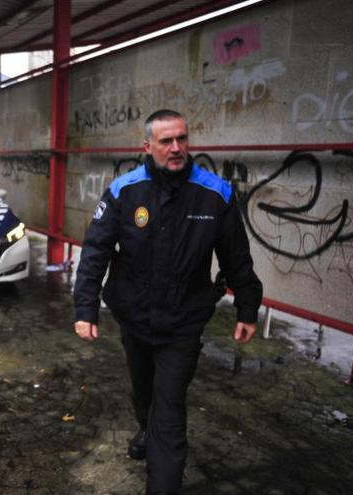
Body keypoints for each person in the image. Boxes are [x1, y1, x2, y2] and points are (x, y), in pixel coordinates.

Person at [73, 109, 262, 494]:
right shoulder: (125, 190)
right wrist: (85, 307)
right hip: (134, 316)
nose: (176, 148)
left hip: (183, 322)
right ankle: (146, 426)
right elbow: (96, 250)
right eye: (166, 141)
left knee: (169, 406)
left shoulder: (215, 193)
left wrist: (247, 306)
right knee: (144, 393)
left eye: (182, 139)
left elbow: (236, 256)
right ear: (147, 146)